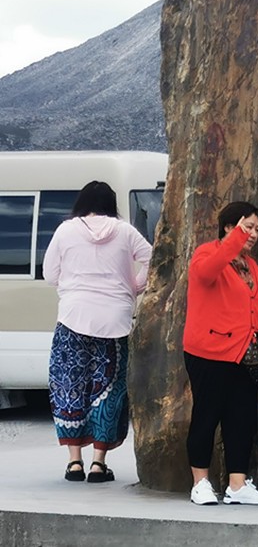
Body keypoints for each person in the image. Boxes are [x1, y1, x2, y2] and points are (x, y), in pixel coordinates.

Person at [43, 180, 152, 484]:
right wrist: (134, 286)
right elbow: (153, 258)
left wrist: (73, 286)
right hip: (115, 320)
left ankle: (74, 462)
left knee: (70, 386)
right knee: (109, 389)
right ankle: (98, 465)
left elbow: (49, 274)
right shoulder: (125, 231)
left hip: (72, 317)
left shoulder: (65, 230)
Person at [183, 201, 258, 506]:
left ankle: (237, 485)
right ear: (228, 227)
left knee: (242, 420)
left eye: (257, 229)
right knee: (206, 417)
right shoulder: (206, 253)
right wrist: (234, 240)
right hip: (209, 351)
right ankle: (200, 483)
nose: (253, 234)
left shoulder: (251, 265)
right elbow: (207, 272)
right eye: (248, 227)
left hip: (244, 354)